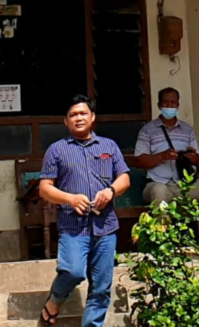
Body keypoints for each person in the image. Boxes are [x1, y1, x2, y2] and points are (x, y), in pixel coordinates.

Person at [38, 95, 130, 327]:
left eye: (83, 113)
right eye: (73, 115)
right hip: (73, 227)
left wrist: (110, 191)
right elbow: (45, 188)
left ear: (93, 117)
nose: (78, 118)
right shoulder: (56, 150)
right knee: (73, 271)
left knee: (100, 289)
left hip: (105, 226)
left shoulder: (109, 146)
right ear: (65, 121)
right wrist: (70, 199)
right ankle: (55, 300)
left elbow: (125, 178)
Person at [133, 87, 199, 244]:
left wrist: (191, 157)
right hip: (156, 184)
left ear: (177, 105)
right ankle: (164, 238)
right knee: (159, 190)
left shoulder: (187, 130)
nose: (169, 106)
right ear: (159, 105)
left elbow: (196, 159)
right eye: (166, 103)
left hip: (184, 186)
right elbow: (139, 161)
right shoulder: (147, 130)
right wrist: (162, 156)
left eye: (173, 103)